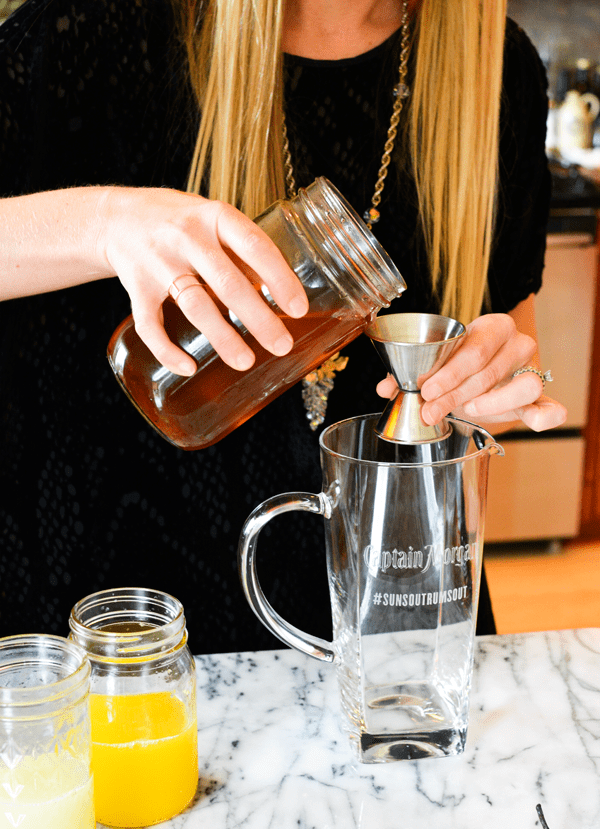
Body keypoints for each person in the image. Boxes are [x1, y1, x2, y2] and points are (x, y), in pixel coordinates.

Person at [0, 0, 566, 652]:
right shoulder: (96, 31)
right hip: (123, 636)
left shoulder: (497, 69)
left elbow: (509, 351)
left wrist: (499, 377)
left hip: (388, 628)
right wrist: (102, 224)